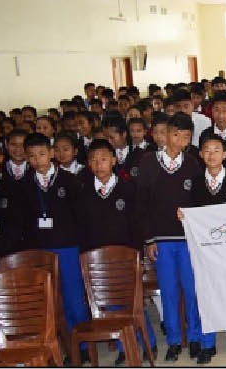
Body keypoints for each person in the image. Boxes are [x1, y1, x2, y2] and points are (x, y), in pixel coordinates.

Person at [76, 139, 157, 365]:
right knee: (111, 307)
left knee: (133, 305)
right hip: (98, 262)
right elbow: (82, 229)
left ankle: (148, 342)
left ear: (114, 160)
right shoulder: (84, 192)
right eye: (93, 160)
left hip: (126, 259)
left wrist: (136, 257)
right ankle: (125, 346)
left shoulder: (128, 189)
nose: (98, 164)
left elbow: (138, 225)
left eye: (103, 159)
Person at [179, 134, 226, 363]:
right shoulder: (194, 182)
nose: (211, 155)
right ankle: (207, 343)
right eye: (206, 150)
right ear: (200, 155)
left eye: (216, 150)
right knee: (206, 293)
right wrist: (184, 216)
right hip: (205, 250)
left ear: (225, 154)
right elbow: (191, 214)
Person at [16, 133, 91, 359]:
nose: (38, 160)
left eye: (42, 154)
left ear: (51, 153)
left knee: (74, 300)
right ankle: (66, 347)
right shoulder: (23, 186)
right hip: (41, 252)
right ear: (27, 159)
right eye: (32, 156)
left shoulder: (69, 180)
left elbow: (81, 217)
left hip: (68, 248)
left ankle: (84, 346)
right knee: (52, 304)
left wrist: (82, 248)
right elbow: (23, 223)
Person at [136, 113, 204, 362]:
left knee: (191, 289)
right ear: (165, 135)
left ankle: (195, 336)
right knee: (169, 291)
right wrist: (149, 240)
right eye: (176, 135)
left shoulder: (193, 164)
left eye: (186, 136)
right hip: (161, 240)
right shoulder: (148, 163)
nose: (180, 141)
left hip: (187, 240)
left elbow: (199, 201)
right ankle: (174, 340)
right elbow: (140, 205)